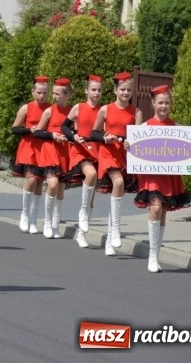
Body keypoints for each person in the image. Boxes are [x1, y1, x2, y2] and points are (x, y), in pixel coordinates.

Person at [132, 85, 191, 273]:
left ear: (171, 104)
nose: (163, 106)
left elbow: (186, 149)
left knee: (163, 212)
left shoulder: (176, 127)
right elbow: (136, 150)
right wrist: (130, 145)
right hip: (152, 175)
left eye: (167, 103)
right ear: (153, 103)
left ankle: (156, 253)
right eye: (160, 102)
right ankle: (152, 256)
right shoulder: (144, 128)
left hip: (169, 175)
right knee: (155, 207)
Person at [92, 71, 143, 257]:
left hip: (124, 155)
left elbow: (139, 138)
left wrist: (130, 142)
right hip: (108, 153)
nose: (125, 93)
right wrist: (105, 138)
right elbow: (94, 133)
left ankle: (109, 240)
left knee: (119, 190)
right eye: (122, 89)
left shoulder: (136, 112)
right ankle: (116, 230)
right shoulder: (105, 109)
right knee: (118, 183)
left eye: (129, 90)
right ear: (115, 90)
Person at [61, 75, 103, 248]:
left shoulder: (103, 110)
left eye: (100, 90)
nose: (96, 93)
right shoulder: (78, 108)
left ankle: (81, 234)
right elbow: (64, 126)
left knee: (92, 195)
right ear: (86, 90)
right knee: (91, 174)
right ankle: (83, 212)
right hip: (80, 150)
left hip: (97, 152)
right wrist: (73, 136)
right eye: (93, 89)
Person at [33, 78, 73, 239]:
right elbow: (37, 132)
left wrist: (68, 137)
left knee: (61, 189)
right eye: (53, 93)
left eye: (57, 94)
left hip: (65, 152)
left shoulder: (72, 112)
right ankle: (48, 222)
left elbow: (76, 132)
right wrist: (52, 134)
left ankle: (56, 224)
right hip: (50, 150)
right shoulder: (49, 111)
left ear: (67, 94)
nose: (53, 96)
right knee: (53, 183)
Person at [11, 76, 49, 234]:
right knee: (31, 178)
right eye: (39, 92)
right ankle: (25, 214)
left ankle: (34, 218)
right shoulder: (26, 108)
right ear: (33, 92)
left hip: (44, 147)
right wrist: (29, 130)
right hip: (28, 146)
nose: (42, 96)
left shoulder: (50, 109)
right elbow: (15, 128)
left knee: (40, 182)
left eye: (45, 93)